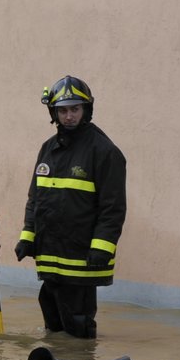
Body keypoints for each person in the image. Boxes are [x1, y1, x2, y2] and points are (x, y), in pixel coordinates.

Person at [14, 75, 127, 339]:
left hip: (81, 261)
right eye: (63, 110)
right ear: (53, 112)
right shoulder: (48, 149)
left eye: (74, 109)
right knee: (53, 328)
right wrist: (27, 237)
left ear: (86, 109)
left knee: (78, 328)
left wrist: (101, 248)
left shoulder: (104, 151)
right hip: (50, 260)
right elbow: (36, 199)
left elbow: (113, 208)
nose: (68, 116)